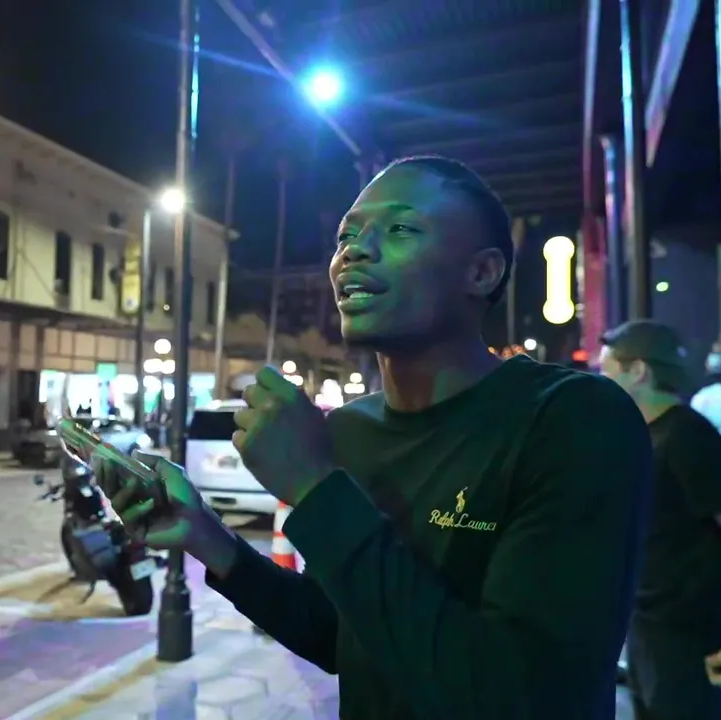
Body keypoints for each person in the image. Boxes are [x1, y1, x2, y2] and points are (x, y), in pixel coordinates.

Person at [99, 156, 653, 719]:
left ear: (482, 273)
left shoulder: (573, 418)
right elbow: (339, 634)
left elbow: (519, 696)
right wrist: (205, 536)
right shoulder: (349, 430)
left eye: (401, 228)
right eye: (346, 236)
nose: (354, 252)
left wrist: (315, 488)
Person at [598, 321, 721, 719]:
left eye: (607, 371)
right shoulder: (642, 434)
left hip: (689, 634)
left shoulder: (689, 437)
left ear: (638, 372)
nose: (600, 382)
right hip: (648, 623)